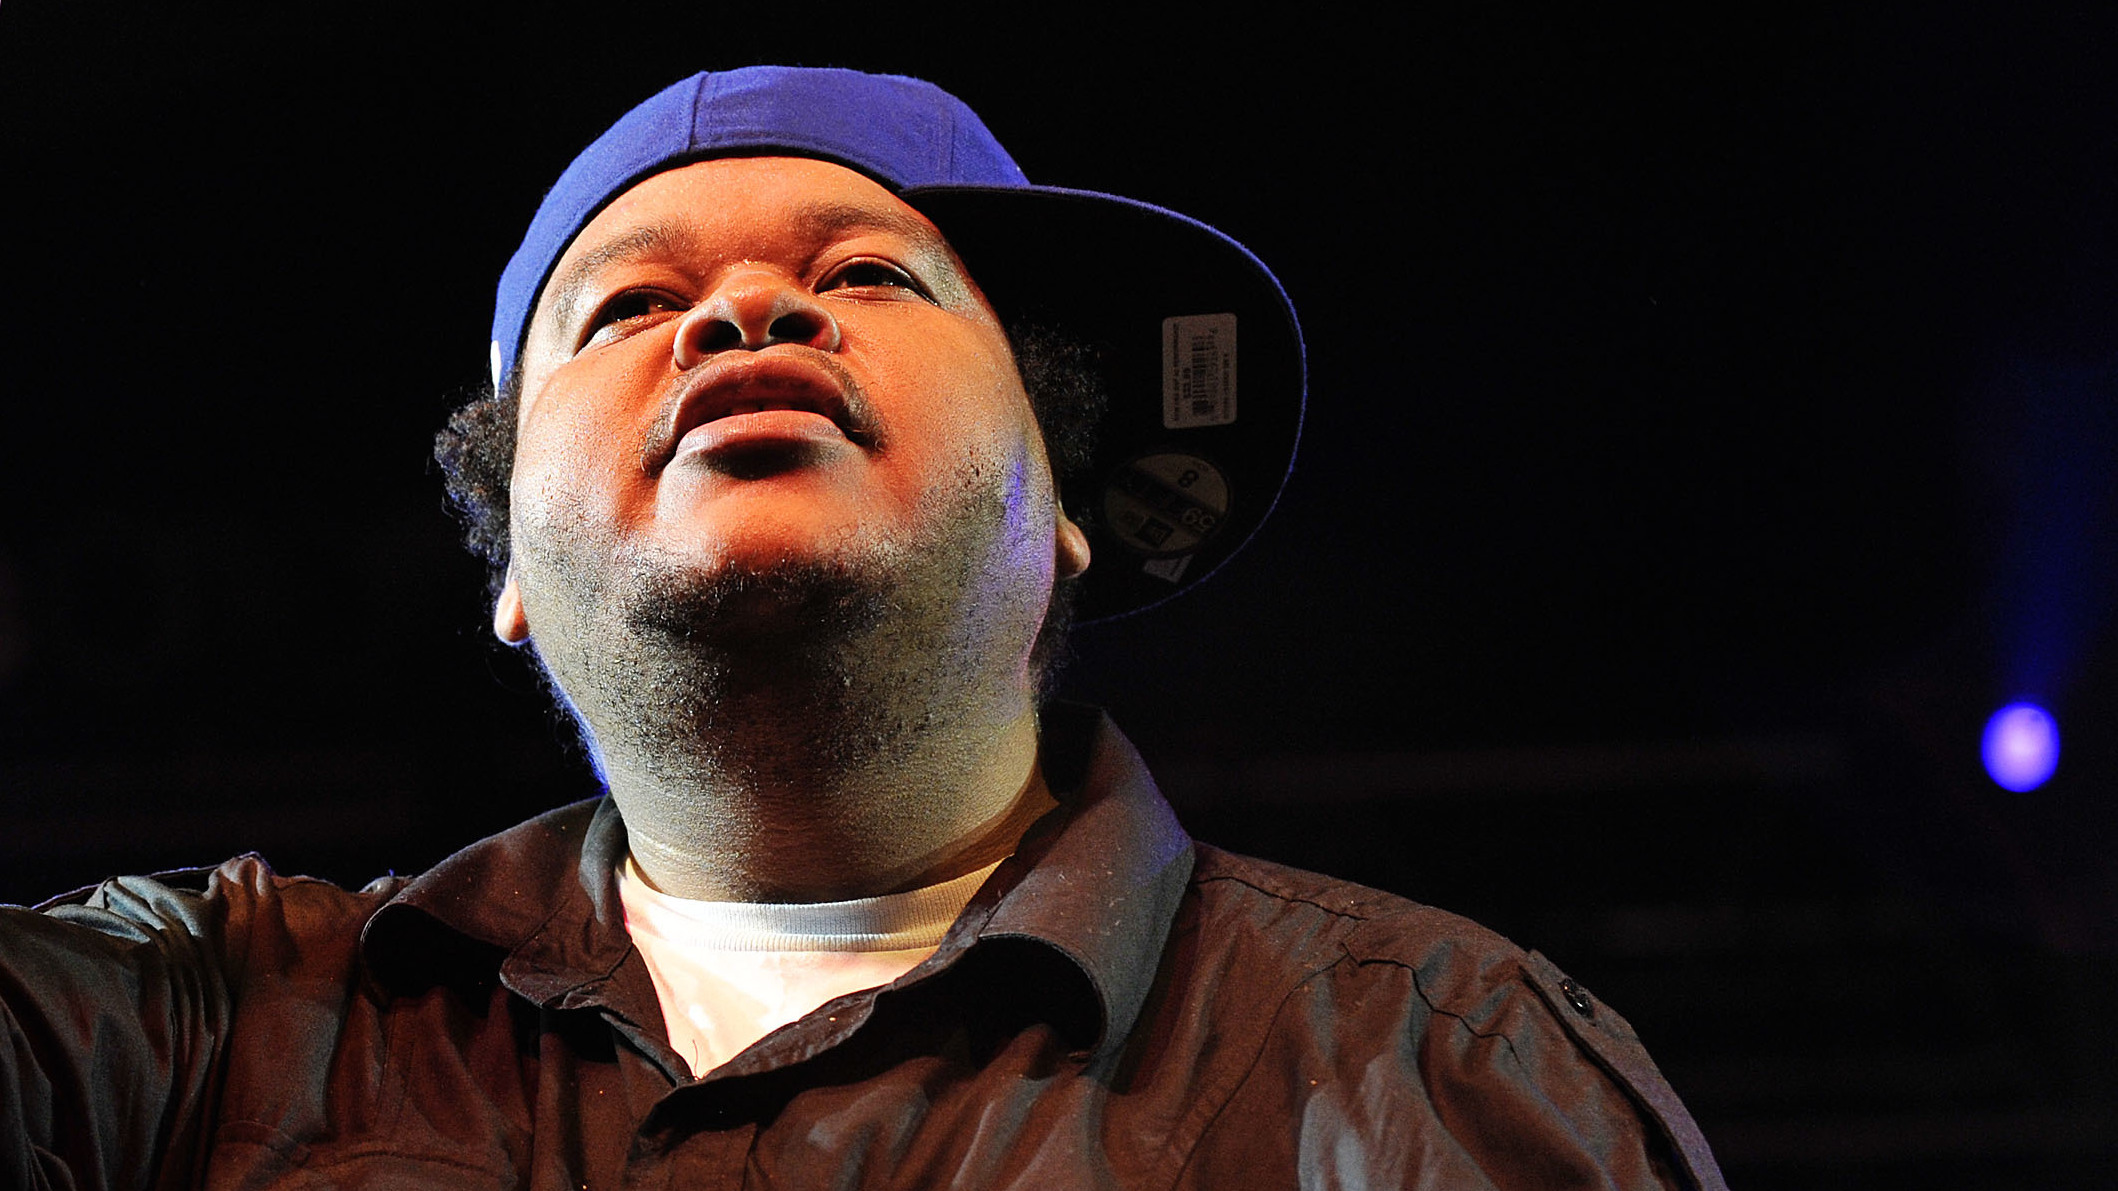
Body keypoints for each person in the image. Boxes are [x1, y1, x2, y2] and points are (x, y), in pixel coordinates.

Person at [2, 67, 1726, 1189]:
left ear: (1058, 506)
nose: (746, 308)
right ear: (509, 569)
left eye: (869, 277)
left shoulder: (1433, 1066)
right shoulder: (190, 1025)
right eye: (630, 306)